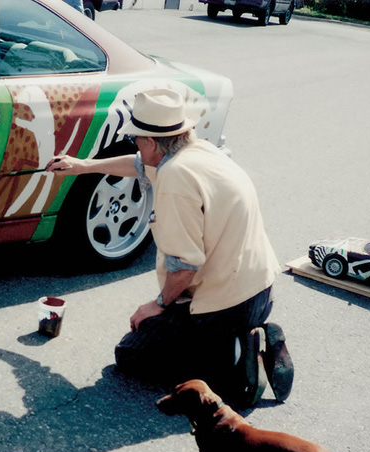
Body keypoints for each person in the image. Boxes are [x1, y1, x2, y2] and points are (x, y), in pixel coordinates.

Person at [45, 88, 293, 407]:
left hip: (225, 306)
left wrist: (158, 303)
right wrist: (82, 166)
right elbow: (137, 165)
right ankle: (242, 337)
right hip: (260, 291)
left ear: (150, 142)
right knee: (155, 338)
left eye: (136, 138)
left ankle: (237, 363)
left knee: (131, 355)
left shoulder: (176, 179)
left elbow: (185, 265)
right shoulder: (198, 152)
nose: (134, 143)